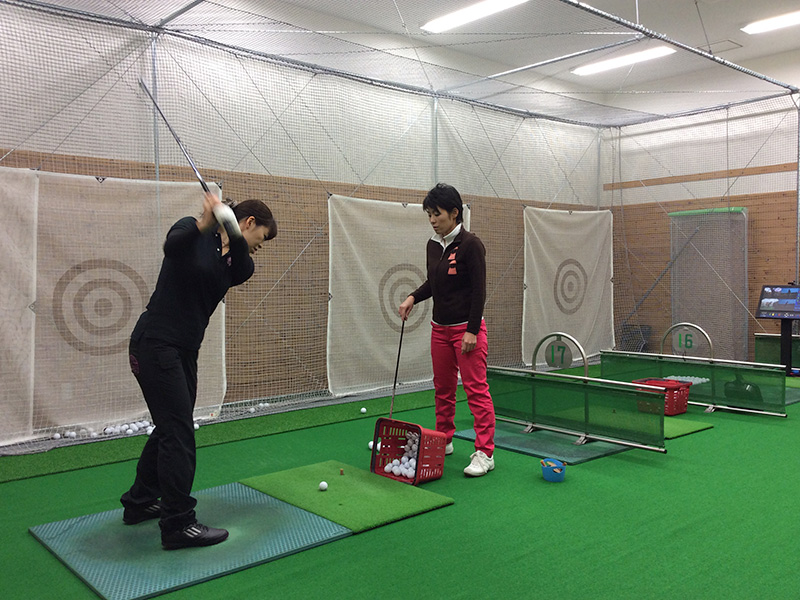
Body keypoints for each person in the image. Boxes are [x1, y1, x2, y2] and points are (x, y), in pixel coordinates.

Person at [121, 190, 277, 550]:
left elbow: (243, 266)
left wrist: (230, 228)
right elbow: (173, 247)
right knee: (178, 431)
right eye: (262, 237)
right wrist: (205, 222)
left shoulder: (238, 262)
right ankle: (178, 524)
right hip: (155, 344)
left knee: (170, 427)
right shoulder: (190, 230)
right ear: (251, 222)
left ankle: (139, 501)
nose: (260, 246)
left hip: (184, 350)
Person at [399, 183, 496, 477]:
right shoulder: (432, 245)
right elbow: (434, 283)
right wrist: (413, 297)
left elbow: (479, 291)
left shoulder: (471, 245)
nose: (432, 220)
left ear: (454, 213)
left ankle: (485, 453)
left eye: (437, 214)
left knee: (476, 390)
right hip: (439, 330)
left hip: (467, 331)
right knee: (443, 389)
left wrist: (472, 330)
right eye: (429, 214)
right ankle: (444, 439)